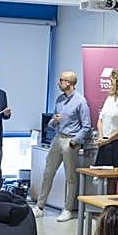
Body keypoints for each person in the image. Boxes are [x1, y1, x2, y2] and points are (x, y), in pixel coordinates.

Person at [35, 70, 92, 223]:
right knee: (48, 173)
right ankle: (39, 206)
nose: (58, 83)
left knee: (70, 177)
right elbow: (51, 123)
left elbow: (86, 126)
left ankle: (67, 209)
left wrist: (75, 141)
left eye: (61, 80)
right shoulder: (59, 99)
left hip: (71, 141)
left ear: (69, 83)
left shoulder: (81, 102)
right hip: (57, 138)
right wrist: (54, 120)